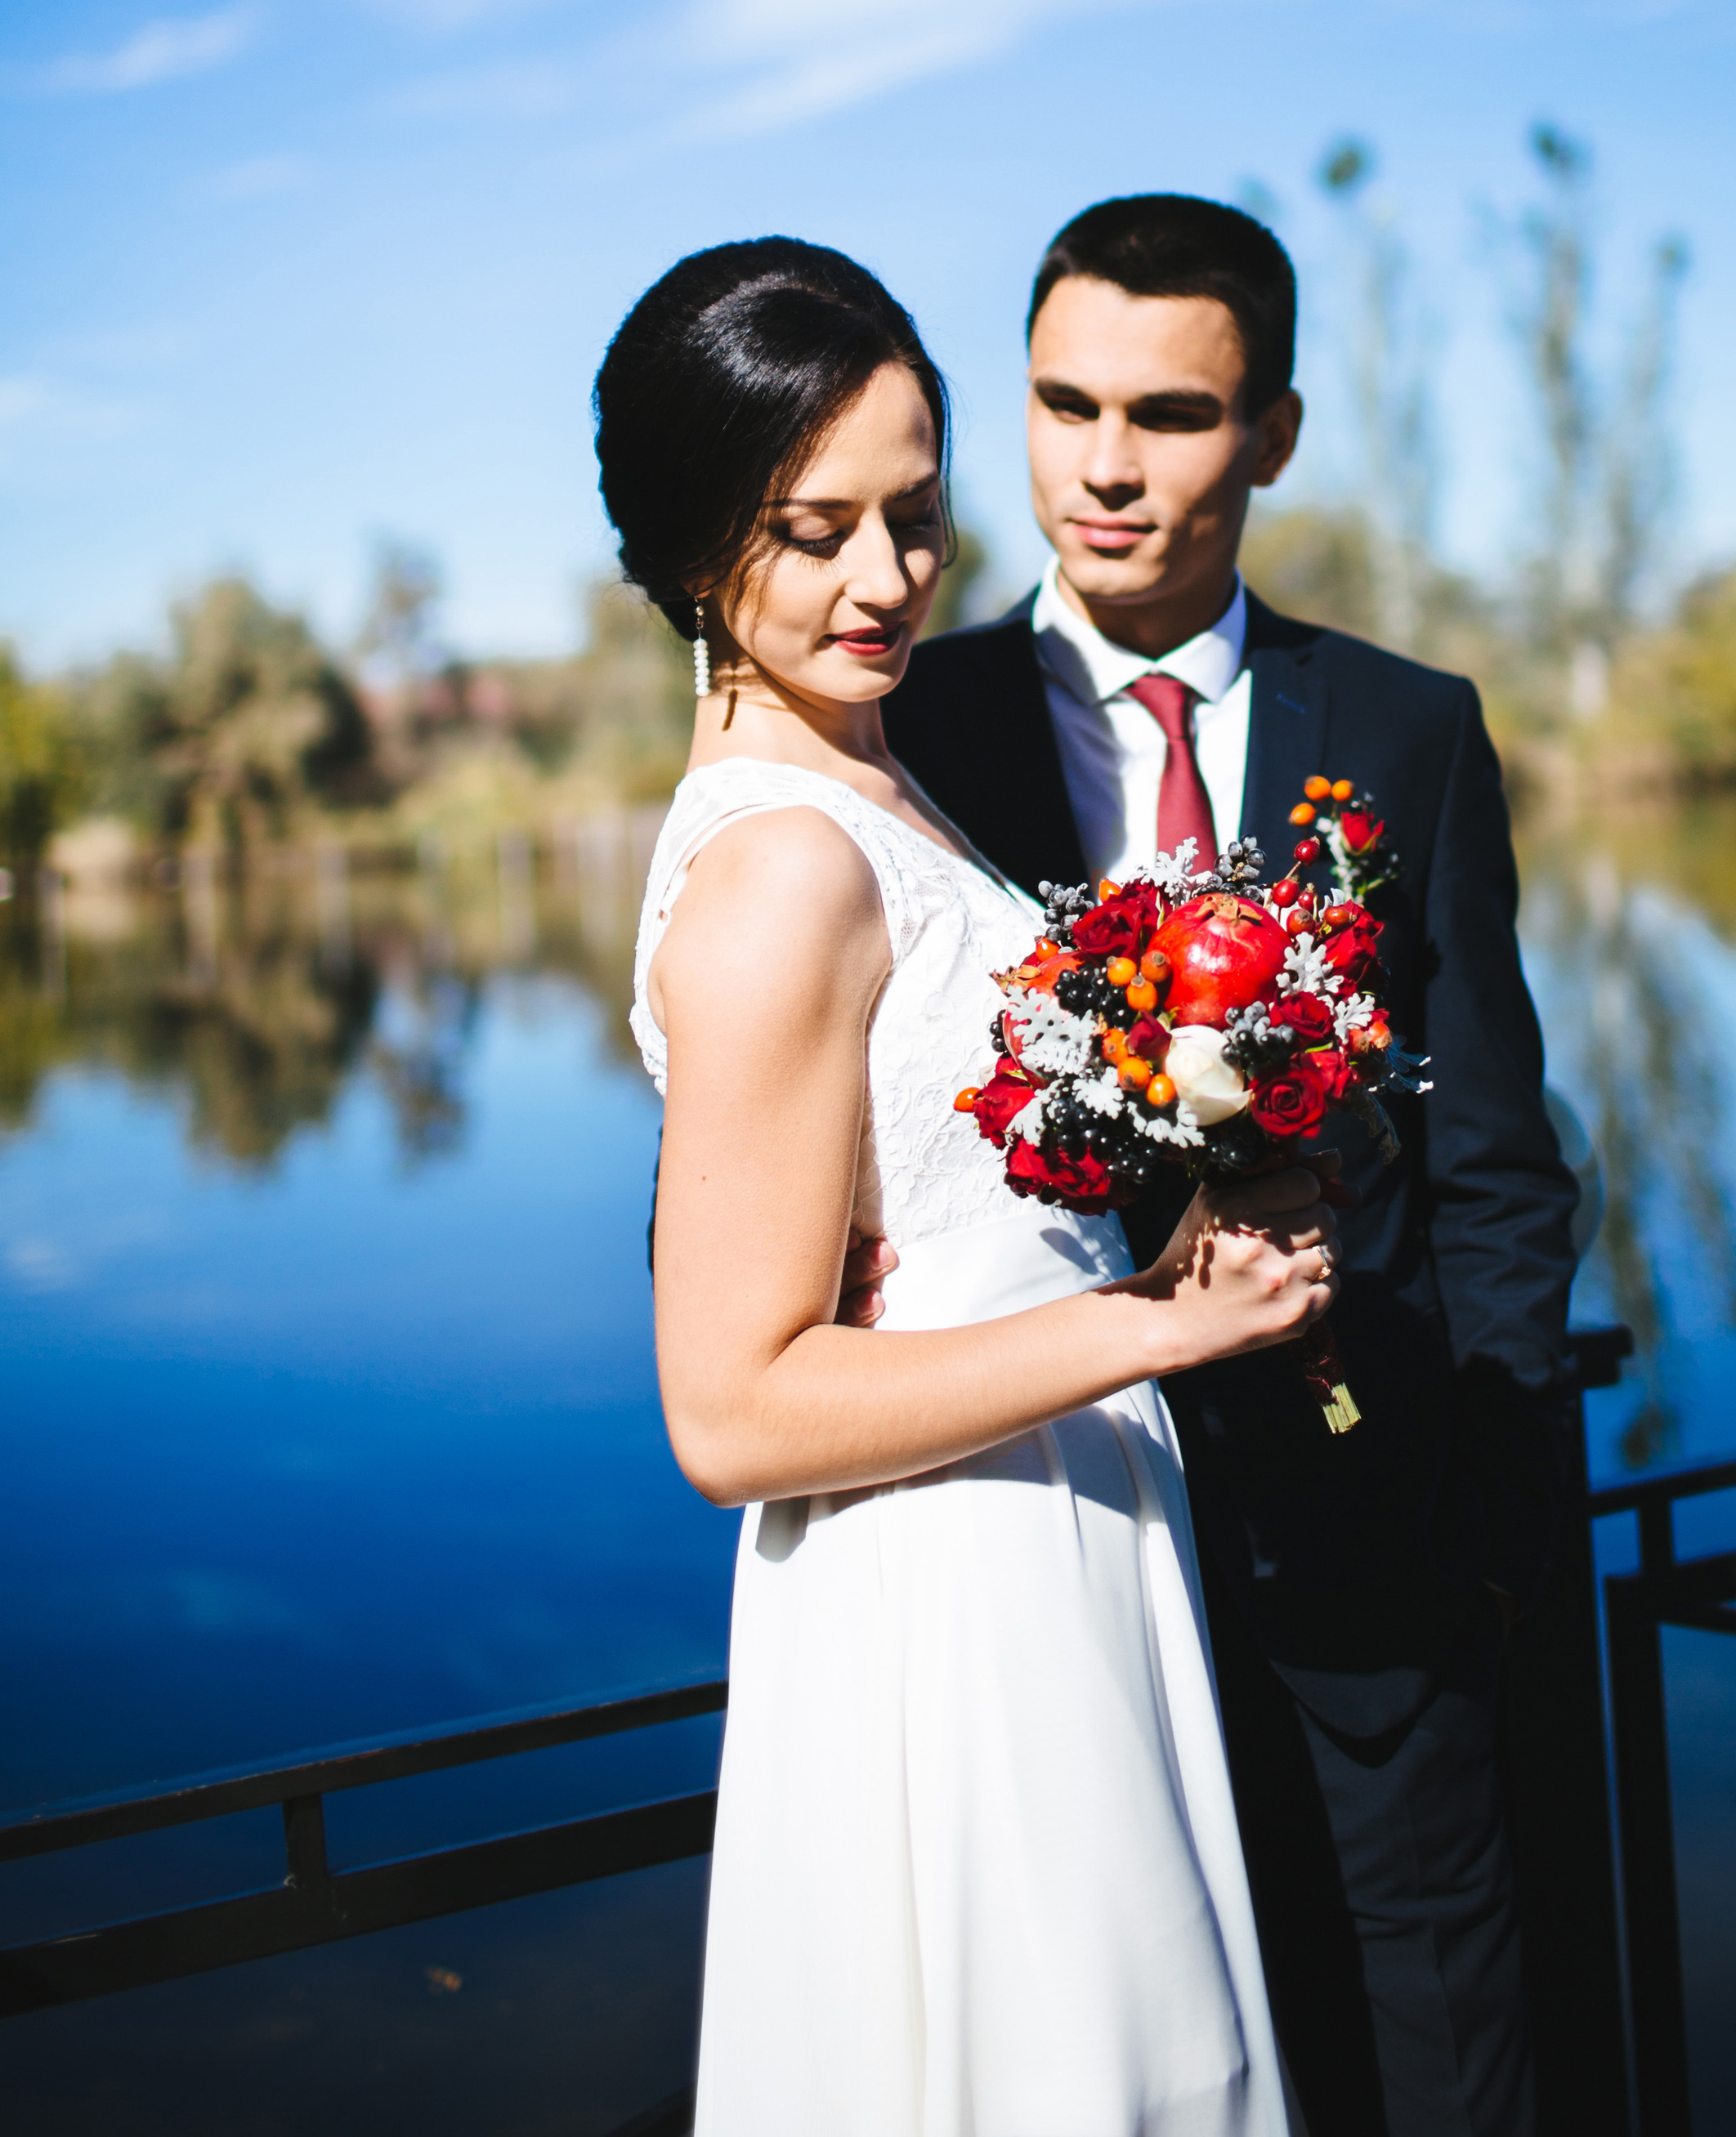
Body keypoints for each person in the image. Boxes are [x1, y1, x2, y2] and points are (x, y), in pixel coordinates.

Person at [600, 234, 1340, 2137]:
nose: (882, 578)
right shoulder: (781, 871)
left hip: (1056, 1515)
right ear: (696, 550)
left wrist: (1138, 1220)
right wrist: (1140, 1322)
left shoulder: (874, 778)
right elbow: (732, 1403)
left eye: (912, 516)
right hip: (955, 1588)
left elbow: (932, 1206)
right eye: (808, 527)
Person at [881, 194, 1579, 2137]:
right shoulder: (904, 734)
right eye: (1061, 402)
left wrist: (1497, 1510)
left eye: (1170, 415)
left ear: (1270, 431)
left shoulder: (1409, 731)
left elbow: (1500, 1152)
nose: (1103, 467)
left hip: (1374, 1540)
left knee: (1444, 2045)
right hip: (1054, 1530)